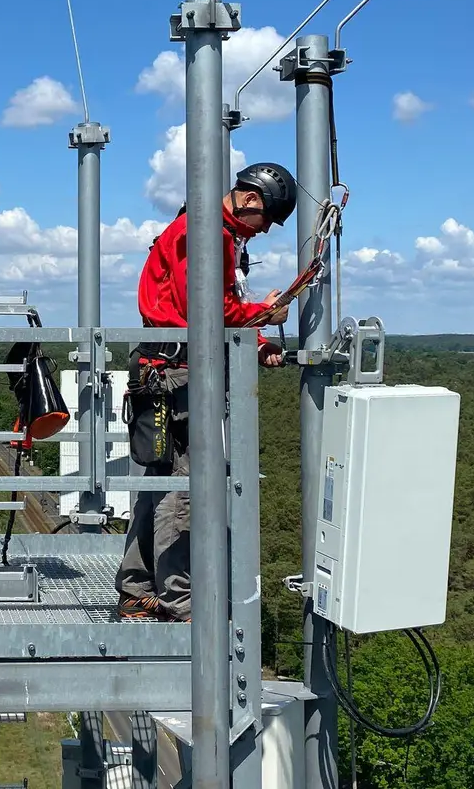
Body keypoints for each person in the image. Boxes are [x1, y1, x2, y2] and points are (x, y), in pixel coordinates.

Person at [115, 162, 296, 622]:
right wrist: (265, 313)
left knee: (159, 484)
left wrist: (255, 343)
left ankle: (137, 589)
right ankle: (181, 603)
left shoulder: (200, 230)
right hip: (179, 374)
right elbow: (208, 312)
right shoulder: (207, 235)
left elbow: (205, 311)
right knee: (184, 488)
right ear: (251, 200)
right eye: (267, 221)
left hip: (162, 367)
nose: (263, 232)